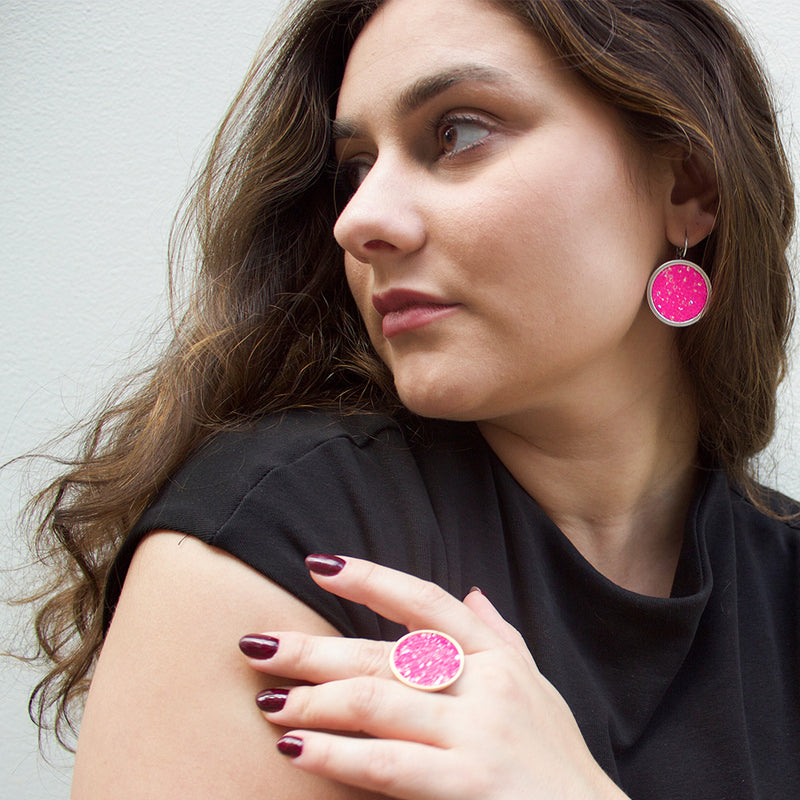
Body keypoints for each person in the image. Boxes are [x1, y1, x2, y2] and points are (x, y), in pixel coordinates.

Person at [22, 0, 799, 797]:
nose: (359, 220)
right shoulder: (283, 536)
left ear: (689, 184)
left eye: (457, 132)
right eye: (356, 168)